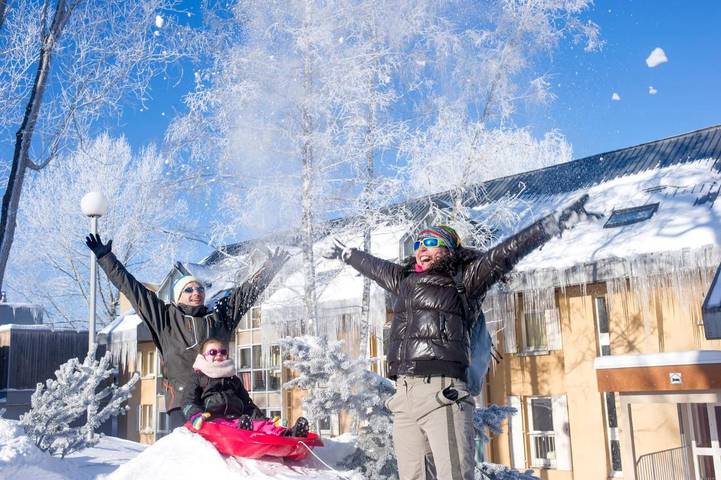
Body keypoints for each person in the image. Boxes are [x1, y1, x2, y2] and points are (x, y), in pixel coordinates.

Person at [323, 194, 601, 480]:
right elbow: (374, 266)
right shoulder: (404, 280)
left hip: (443, 394)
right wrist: (348, 255)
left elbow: (505, 253)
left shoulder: (465, 280)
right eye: (418, 244)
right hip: (404, 397)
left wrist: (553, 223)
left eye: (431, 242)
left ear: (449, 249)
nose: (421, 249)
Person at [85, 233, 289, 429]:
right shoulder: (165, 319)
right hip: (183, 404)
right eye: (189, 290)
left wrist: (270, 268)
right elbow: (132, 289)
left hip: (222, 403)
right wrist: (106, 257)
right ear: (177, 297)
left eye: (200, 289)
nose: (196, 293)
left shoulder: (219, 318)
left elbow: (246, 294)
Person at [182, 337, 309, 437]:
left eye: (223, 352)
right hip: (213, 421)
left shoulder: (233, 380)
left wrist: (264, 420)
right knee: (227, 426)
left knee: (259, 425)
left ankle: (288, 434)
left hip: (237, 419)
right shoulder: (198, 378)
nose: (219, 355)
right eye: (213, 352)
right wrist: (196, 416)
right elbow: (188, 401)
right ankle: (243, 431)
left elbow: (248, 405)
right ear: (203, 357)